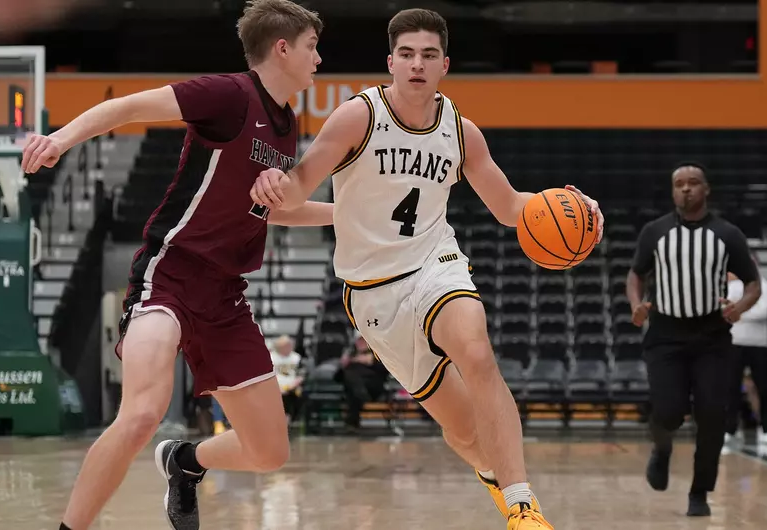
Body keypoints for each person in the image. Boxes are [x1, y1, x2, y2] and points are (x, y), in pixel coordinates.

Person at [249, 9, 605, 529]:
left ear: (445, 65)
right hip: (371, 291)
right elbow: (295, 193)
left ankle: (524, 506)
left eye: (429, 55)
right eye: (408, 54)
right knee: (462, 430)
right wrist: (276, 185)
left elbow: (511, 208)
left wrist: (568, 203)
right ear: (391, 62)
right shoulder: (357, 117)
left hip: (435, 263)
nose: (418, 64)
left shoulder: (462, 134)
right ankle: (494, 474)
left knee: (476, 351)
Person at [20, 2, 329, 529]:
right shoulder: (229, 94)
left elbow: (281, 210)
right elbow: (129, 107)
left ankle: (183, 463)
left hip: (225, 295)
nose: (318, 58)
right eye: (311, 47)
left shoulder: (286, 125)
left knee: (270, 452)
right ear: (283, 49)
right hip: (170, 274)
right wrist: (61, 139)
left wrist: (356, 217)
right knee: (142, 412)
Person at [626, 162, 761, 517]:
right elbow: (635, 275)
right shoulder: (655, 232)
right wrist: (637, 304)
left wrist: (740, 307)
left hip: (712, 336)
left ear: (706, 190)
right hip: (665, 335)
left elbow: (753, 283)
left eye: (693, 183)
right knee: (668, 411)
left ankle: (699, 492)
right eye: (679, 184)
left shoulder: (727, 234)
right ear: (673, 192)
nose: (686, 189)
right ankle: (662, 448)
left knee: (713, 415)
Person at [725, 255, 767, 444]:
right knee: (731, 388)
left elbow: (762, 312)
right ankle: (730, 428)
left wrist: (737, 310)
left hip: (759, 345)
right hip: (735, 343)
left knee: (763, 387)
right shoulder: (733, 287)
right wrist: (743, 309)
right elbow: (725, 311)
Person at [338, 332, 387, 433]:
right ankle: (359, 394)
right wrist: (344, 364)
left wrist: (372, 361)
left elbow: (385, 372)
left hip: (372, 386)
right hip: (357, 389)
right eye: (359, 341)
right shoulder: (351, 356)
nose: (361, 343)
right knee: (352, 385)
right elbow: (337, 377)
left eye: (363, 341)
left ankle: (351, 422)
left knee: (352, 385)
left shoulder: (377, 354)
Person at [270, 335, 304, 423]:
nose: (288, 348)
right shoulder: (270, 357)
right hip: (274, 387)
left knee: (294, 395)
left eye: (289, 345)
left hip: (292, 388)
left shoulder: (297, 358)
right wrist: (278, 387)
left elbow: (301, 375)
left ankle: (288, 420)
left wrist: (291, 386)